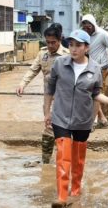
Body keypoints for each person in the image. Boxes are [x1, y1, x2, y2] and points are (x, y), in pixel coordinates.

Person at [44, 29, 108, 207]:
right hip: (60, 117)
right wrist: (47, 113)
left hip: (83, 120)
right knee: (63, 156)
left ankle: (75, 190)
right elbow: (49, 91)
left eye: (78, 45)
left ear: (87, 47)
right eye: (71, 45)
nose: (73, 49)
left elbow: (95, 94)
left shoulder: (95, 68)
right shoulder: (60, 64)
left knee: (78, 158)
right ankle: (62, 196)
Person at [16, 25, 69, 164]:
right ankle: (46, 163)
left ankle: (64, 161)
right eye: (48, 42)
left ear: (60, 40)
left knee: (64, 132)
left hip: (65, 100)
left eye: (53, 42)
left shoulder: (68, 55)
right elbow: (33, 70)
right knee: (49, 128)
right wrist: (22, 84)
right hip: (49, 100)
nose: (50, 45)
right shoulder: (42, 54)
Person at [81, 14, 108, 127]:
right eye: (85, 27)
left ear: (93, 24)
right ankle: (95, 119)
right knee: (92, 94)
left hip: (104, 68)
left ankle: (106, 118)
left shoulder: (103, 34)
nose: (87, 29)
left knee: (106, 92)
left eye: (89, 27)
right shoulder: (83, 36)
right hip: (90, 69)